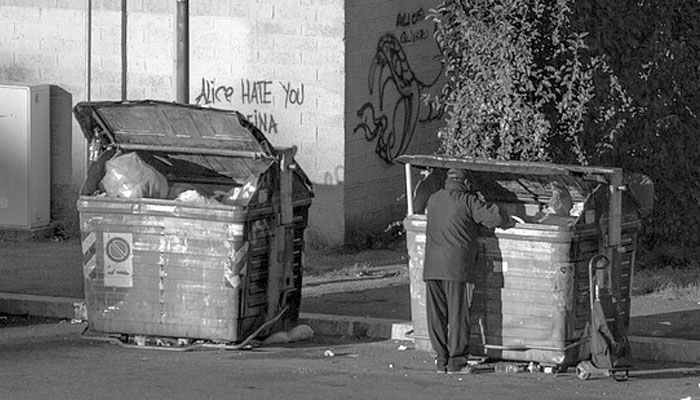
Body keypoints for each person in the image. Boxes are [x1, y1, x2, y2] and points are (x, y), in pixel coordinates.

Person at [423, 168, 507, 374]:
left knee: (436, 315)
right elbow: (494, 219)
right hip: (456, 267)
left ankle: (441, 359)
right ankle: (456, 360)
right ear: (466, 182)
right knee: (458, 314)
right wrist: (494, 206)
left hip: (432, 266)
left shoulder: (433, 199)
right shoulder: (467, 201)